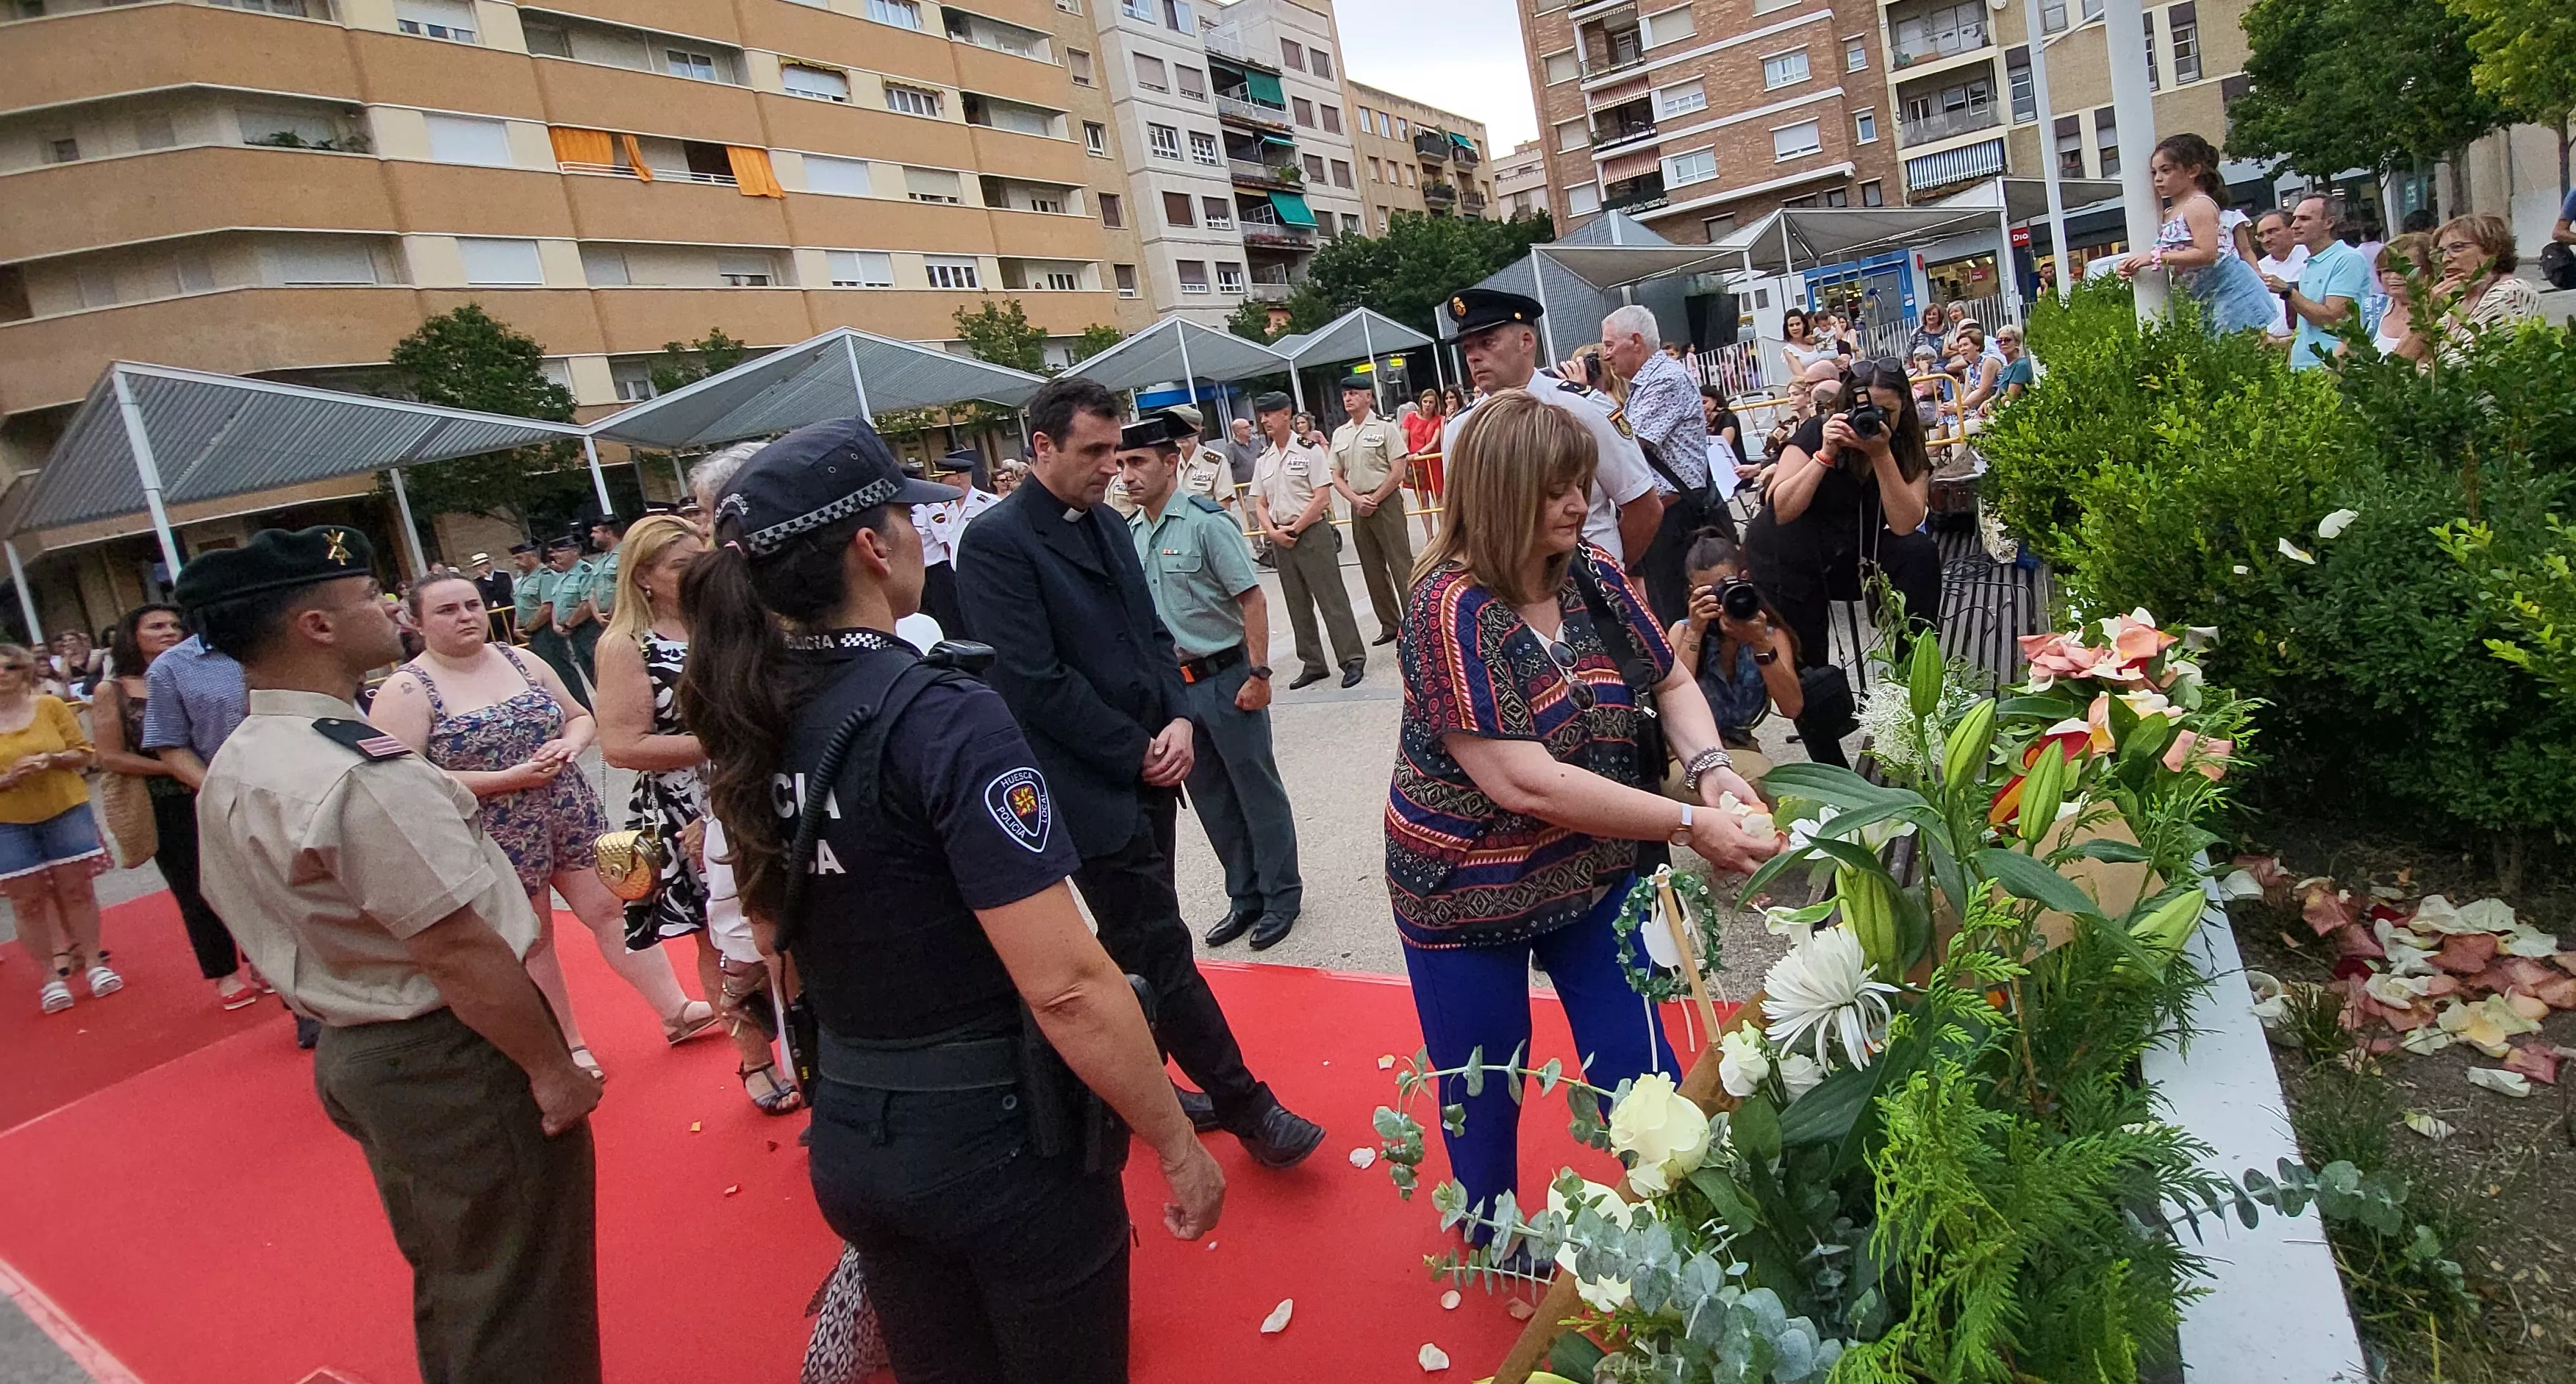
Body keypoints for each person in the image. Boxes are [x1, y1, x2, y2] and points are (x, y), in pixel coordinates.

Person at [676, 418, 1223, 1384]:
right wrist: (1175, 1142)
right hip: (997, 1136)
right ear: (870, 546)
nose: (922, 537)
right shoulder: (940, 712)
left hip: (857, 1119)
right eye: (907, 517)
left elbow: (772, 943)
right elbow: (1066, 983)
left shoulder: (751, 705)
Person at [182, 527, 601, 1384]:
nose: (386, 608)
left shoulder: (246, 755)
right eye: (365, 597)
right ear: (316, 626)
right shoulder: (354, 769)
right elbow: (457, 946)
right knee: (521, 1297)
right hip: (448, 1051)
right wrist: (553, 1068)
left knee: (460, 1276)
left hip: (363, 1042)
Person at [1386, 392, 1777, 1229]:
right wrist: (1687, 823)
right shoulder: (1448, 609)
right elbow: (1525, 782)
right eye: (1556, 489)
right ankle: (1490, 1232)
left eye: (1580, 484)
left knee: (1643, 1072)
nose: (1579, 503)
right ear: (1500, 494)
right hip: (1464, 887)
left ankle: (1682, 1224)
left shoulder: (1589, 571)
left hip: (1590, 865)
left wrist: (1711, 769)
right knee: (1482, 1090)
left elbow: (1669, 677)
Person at [956, 379, 1326, 1166]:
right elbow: (1034, 682)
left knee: (1135, 944)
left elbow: (1152, 638)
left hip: (1155, 763)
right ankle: (1248, 1106)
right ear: (1042, 447)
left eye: (1116, 450)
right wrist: (1139, 748)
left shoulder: (1103, 523)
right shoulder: (996, 543)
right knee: (1157, 943)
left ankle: (1134, 1089)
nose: (1111, 467)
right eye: (1094, 451)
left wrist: (1181, 718)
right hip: (1088, 784)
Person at [368, 574, 719, 1080]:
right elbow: (405, 777)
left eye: (472, 605)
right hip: (491, 827)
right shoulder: (405, 689)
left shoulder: (521, 660)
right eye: (447, 610)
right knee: (533, 938)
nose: (466, 616)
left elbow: (580, 716)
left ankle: (674, 1009)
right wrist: (504, 779)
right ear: (416, 623)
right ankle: (567, 1044)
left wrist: (570, 744)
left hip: (567, 808)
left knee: (613, 908)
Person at [592, 514, 800, 1115]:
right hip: (684, 803)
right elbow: (620, 746)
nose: (697, 572)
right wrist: (726, 741)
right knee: (720, 942)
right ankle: (755, 1059)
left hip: (753, 788)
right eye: (681, 565)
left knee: (780, 926)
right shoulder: (625, 645)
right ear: (645, 577)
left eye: (700, 558)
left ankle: (805, 1048)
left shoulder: (728, 621)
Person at [1119, 415, 1304, 952]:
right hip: (1177, 690)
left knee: (1256, 791)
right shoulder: (1132, 533)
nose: (1127, 475)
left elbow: (1252, 598)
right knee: (1211, 798)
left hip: (1227, 678)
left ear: (1170, 463)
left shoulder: (1205, 523)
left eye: (1138, 462)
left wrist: (1260, 672)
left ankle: (1281, 895)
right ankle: (1244, 896)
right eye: (1122, 464)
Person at [1741, 357, 1941, 754]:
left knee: (1918, 553)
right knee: (1809, 662)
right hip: (1788, 554)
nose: (1875, 419)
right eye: (1867, 409)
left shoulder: (1906, 445)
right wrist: (1825, 454)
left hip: (1853, 553)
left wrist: (1881, 455)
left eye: (1887, 411)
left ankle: (1914, 686)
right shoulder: (1818, 431)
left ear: (1904, 407)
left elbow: (1905, 523)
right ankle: (1830, 765)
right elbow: (1782, 509)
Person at [93, 604, 253, 1008]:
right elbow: (109, 756)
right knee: (195, 888)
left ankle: (261, 959)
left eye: (174, 625)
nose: (169, 631)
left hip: (218, 787)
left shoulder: (201, 672)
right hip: (167, 802)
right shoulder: (114, 690)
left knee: (246, 877)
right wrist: (172, 764)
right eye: (156, 627)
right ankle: (223, 972)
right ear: (132, 636)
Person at [1444, 290, 1661, 573]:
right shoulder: (1461, 427)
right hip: (1507, 584)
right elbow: (1460, 522)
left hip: (1585, 577)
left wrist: (1607, 572)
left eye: (1487, 343)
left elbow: (1643, 507)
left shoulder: (1582, 408)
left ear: (1526, 341)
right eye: (1467, 348)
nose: (1474, 357)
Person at [0, 644, 115, 1016]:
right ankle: (51, 977)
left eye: (9, 667)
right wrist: (7, 779)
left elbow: (84, 752)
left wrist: (51, 760)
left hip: (64, 808)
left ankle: (94, 962)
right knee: (26, 901)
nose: (2, 674)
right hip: (7, 820)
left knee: (77, 889)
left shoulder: (50, 706)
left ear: (24, 671)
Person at [1605, 303, 1721, 622]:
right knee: (1667, 608)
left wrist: (1587, 396)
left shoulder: (1666, 380)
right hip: (1666, 514)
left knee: (1678, 613)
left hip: (1676, 518)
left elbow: (1626, 444)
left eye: (1610, 345)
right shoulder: (1649, 382)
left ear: (1636, 341)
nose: (1606, 355)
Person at [1247, 390, 1368, 689]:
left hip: (1311, 533)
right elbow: (1259, 502)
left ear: (1286, 414)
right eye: (1261, 415)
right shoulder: (1264, 459)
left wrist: (1296, 529)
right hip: (1281, 536)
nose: (1264, 420)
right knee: (1297, 603)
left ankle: (1351, 659)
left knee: (1331, 598)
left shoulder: (1309, 450)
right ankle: (1313, 663)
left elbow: (1322, 497)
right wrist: (1272, 531)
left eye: (1269, 414)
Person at [1665, 529, 1815, 760]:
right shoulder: (1683, 631)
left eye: (1725, 588)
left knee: (1758, 777)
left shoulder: (1770, 635)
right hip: (1686, 748)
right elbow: (1674, 707)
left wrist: (1760, 643)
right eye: (1710, 593)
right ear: (1692, 592)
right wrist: (1695, 633)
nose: (1721, 600)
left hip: (1739, 745)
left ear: (1745, 579)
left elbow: (1792, 707)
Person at [2117, 135, 2278, 337]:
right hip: (2203, 295)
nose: (2158, 178)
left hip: (2231, 292)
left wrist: (2153, 257)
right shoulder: (2169, 212)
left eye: (2166, 170)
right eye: (2154, 172)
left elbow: (2207, 253)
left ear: (2193, 171)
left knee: (2241, 351)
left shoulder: (2199, 205)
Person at [1330, 375, 1417, 648]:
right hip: (1358, 505)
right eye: (1346, 394)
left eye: (1354, 394)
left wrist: (1375, 499)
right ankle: (1390, 624)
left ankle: (1415, 623)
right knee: (1371, 567)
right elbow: (1336, 475)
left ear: (1368, 397)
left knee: (1400, 563)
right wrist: (1356, 500)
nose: (1348, 398)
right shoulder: (1341, 434)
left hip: (1385, 502)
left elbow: (1398, 470)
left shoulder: (1385, 428)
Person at [2262, 193, 2368, 370]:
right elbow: (2305, 325)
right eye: (2295, 219)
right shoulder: (2310, 264)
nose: (2295, 225)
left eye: (2304, 219)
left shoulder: (2348, 259)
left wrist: (2287, 291)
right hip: (2303, 367)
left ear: (2329, 223)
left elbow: (2334, 320)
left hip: (2331, 367)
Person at [915, 450, 1000, 635]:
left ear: (958, 479)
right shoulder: (950, 508)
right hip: (960, 577)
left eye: (943, 477)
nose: (940, 482)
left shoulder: (988, 504)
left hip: (987, 576)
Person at [2433, 213, 2544, 345]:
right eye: (2441, 252)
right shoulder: (2452, 303)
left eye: (2457, 247)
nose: (2445, 259)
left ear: (2493, 249)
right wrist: (2429, 312)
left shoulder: (2512, 293)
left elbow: (2480, 353)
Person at [516, 538, 592, 710]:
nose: (555, 556)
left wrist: (529, 629)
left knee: (565, 674)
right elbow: (522, 606)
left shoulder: (548, 575)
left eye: (519, 558)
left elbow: (548, 607)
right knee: (550, 676)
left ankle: (584, 712)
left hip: (557, 630)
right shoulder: (530, 579)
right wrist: (518, 628)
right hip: (552, 631)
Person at [549, 533, 607, 691]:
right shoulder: (562, 576)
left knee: (601, 672)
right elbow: (556, 602)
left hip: (589, 629)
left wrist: (569, 624)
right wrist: (556, 624)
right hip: (574, 633)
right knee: (590, 674)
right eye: (554, 552)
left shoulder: (585, 572)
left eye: (560, 551)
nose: (555, 555)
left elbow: (587, 604)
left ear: (574, 551)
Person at [2369, 232, 2434, 363]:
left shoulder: (2442, 310)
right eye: (2387, 270)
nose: (2394, 277)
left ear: (2428, 270)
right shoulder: (2371, 308)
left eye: (2405, 269)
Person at [2253, 208, 2308, 343]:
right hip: (2270, 345)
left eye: (2272, 231)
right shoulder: (2258, 268)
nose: (2266, 239)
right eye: (2261, 235)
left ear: (2291, 229)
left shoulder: (2310, 258)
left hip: (2308, 341)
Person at [1403, 388, 1448, 538]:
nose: (1428, 405)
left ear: (1436, 404)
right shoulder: (1410, 417)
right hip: (1416, 465)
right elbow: (1404, 439)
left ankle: (1443, 535)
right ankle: (1429, 536)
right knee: (1423, 501)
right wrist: (1406, 458)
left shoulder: (1439, 420)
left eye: (1431, 402)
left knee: (1439, 499)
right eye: (1425, 401)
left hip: (1433, 462)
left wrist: (1418, 454)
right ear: (1420, 402)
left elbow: (1434, 442)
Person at [469, 552, 516, 644]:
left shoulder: (503, 576)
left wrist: (488, 580)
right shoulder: (477, 582)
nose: (480, 568)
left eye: (482, 565)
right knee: (496, 639)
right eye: (477, 567)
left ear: (488, 564)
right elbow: (484, 596)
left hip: (508, 611)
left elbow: (504, 591)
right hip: (492, 615)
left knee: (514, 636)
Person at [1778, 308, 1832, 379]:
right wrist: (1824, 374)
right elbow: (1801, 375)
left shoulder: (1814, 339)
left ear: (1803, 324)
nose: (1795, 328)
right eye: (1791, 325)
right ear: (1787, 328)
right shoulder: (1788, 350)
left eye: (1798, 324)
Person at [1993, 324, 2034, 404]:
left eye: (2007, 340)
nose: (2003, 343)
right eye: (1999, 341)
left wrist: (1990, 406)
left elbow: (2011, 397)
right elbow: (1997, 395)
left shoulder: (2021, 365)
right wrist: (1987, 402)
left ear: (2017, 343)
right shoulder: (2007, 367)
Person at [1222, 415, 1264, 491]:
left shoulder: (1257, 443)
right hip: (1245, 490)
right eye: (1246, 428)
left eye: (1249, 426)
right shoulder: (1231, 448)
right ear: (1237, 432)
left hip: (1262, 486)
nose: (1250, 429)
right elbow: (1226, 470)